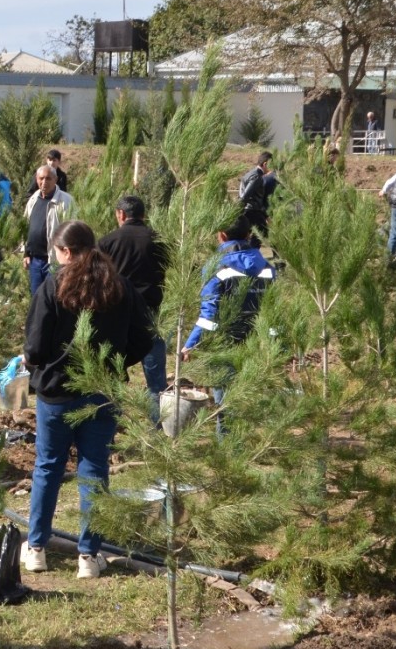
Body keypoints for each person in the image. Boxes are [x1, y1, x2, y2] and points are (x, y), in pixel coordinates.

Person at [21, 221, 153, 578]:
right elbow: (145, 337)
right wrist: (115, 362)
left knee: (48, 467)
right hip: (102, 391)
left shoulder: (53, 286)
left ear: (65, 251)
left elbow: (34, 347)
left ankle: (36, 548)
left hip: (57, 394)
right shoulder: (120, 287)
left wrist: (38, 364)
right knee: (94, 470)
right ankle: (88, 557)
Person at [180, 216, 277, 424]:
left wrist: (190, 344)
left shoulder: (217, 266)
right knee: (248, 395)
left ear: (221, 235)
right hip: (256, 340)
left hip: (225, 341)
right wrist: (276, 340)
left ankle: (229, 448)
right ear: (249, 235)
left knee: (225, 399)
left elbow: (209, 314)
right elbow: (273, 310)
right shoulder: (267, 267)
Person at [97, 196, 169, 422]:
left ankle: (111, 419)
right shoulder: (158, 240)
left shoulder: (108, 242)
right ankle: (156, 425)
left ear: (120, 214)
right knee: (156, 377)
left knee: (113, 370)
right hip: (150, 312)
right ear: (143, 214)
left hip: (117, 313)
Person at [23, 165, 74, 296]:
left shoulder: (65, 201)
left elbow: (72, 231)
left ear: (56, 179)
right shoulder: (33, 199)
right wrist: (26, 253)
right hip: (35, 260)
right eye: (41, 178)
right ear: (36, 179)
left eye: (48, 178)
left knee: (54, 296)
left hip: (54, 261)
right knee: (37, 298)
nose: (44, 182)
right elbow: (26, 226)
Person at [238, 151, 273, 238]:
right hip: (253, 212)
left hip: (249, 211)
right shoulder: (257, 176)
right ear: (265, 164)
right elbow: (246, 195)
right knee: (261, 235)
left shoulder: (250, 173)